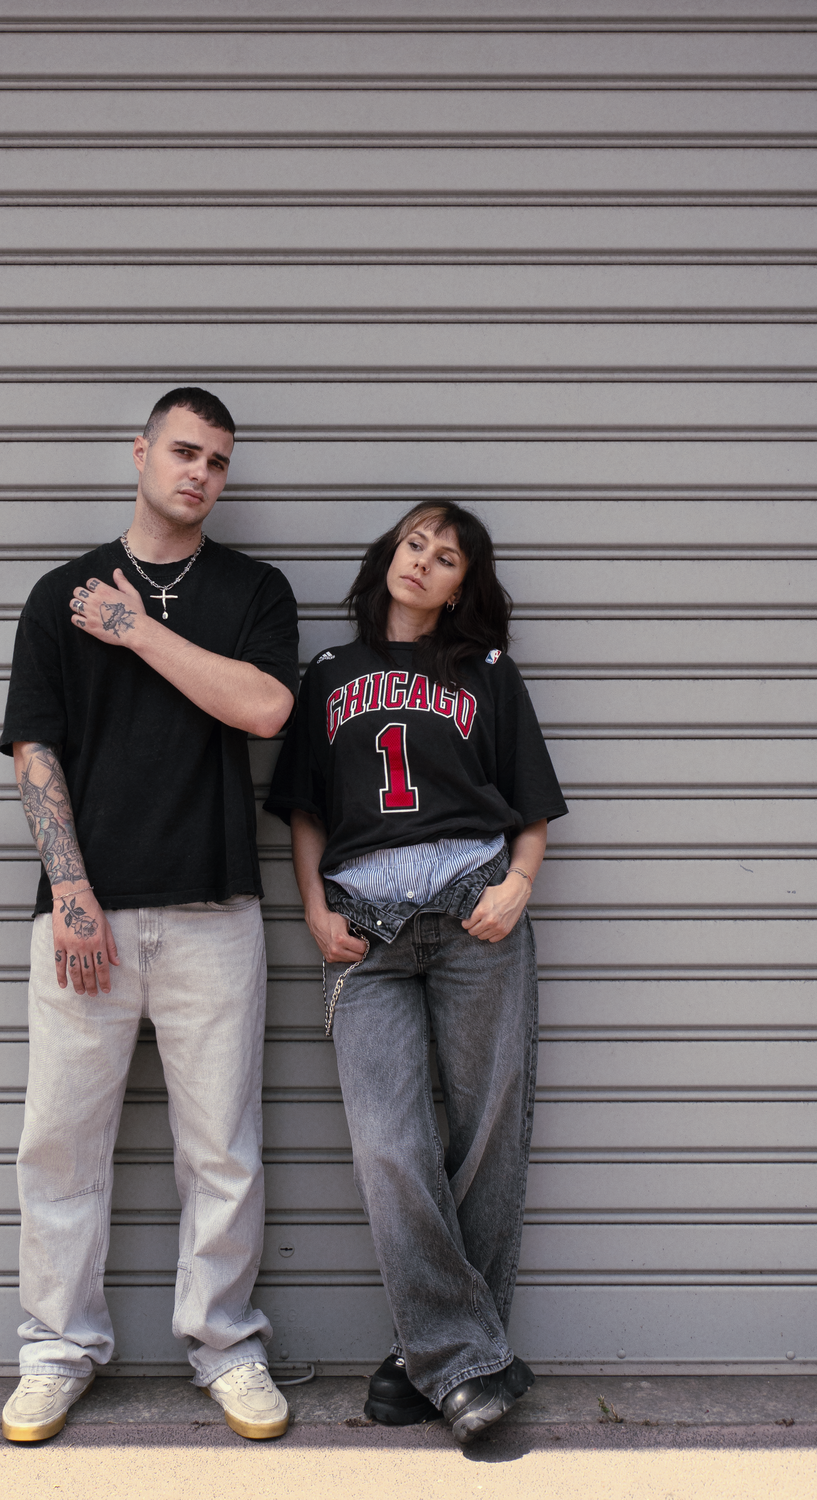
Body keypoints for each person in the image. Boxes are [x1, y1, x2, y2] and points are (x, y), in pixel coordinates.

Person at [0, 387, 300, 1443]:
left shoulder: (254, 591)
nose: (200, 474)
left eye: (217, 461)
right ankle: (56, 1350)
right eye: (184, 452)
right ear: (139, 453)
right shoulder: (59, 594)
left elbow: (267, 708)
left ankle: (226, 1345)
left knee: (222, 1150)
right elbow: (34, 751)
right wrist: (71, 891)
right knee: (60, 1147)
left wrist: (135, 631)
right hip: (85, 918)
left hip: (215, 911)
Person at [264, 502, 567, 1445]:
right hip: (366, 932)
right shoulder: (328, 673)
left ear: (463, 587)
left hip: (477, 913)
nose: (424, 563)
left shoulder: (488, 672)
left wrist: (519, 884)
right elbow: (306, 808)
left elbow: (530, 803)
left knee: (488, 1138)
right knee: (390, 1147)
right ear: (389, 555)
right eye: (415, 545)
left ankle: (429, 1365)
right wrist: (312, 907)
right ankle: (469, 1362)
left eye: (447, 559)